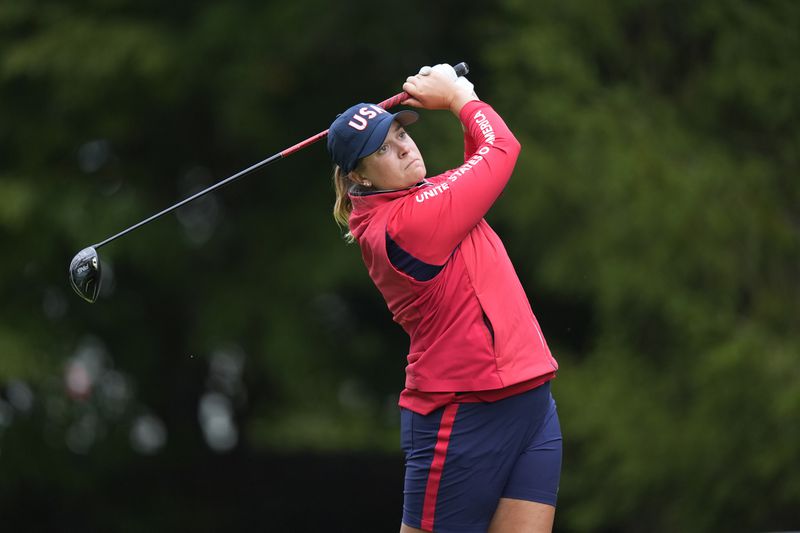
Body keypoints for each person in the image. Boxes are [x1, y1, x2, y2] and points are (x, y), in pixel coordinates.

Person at [327, 64, 561, 533]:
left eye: (400, 135)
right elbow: (501, 149)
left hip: (530, 400)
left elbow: (478, 159)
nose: (404, 148)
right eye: (384, 149)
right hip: (461, 415)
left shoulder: (420, 197)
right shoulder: (402, 226)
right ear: (361, 177)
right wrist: (458, 98)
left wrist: (463, 97)